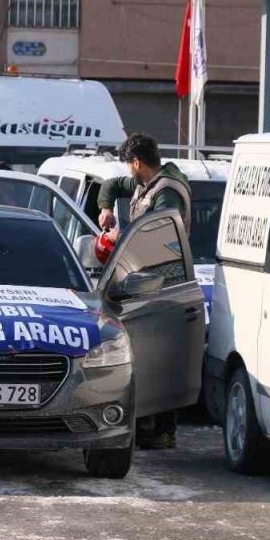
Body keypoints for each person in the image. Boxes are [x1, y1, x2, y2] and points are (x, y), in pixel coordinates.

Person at [96, 133, 192, 451]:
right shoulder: (146, 184)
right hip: (147, 280)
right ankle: (147, 424)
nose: (128, 170)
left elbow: (155, 237)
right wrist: (105, 209)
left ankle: (164, 430)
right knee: (144, 353)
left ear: (136, 162)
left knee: (162, 356)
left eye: (128, 164)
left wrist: (119, 239)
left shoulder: (167, 193)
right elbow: (111, 185)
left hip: (166, 283)